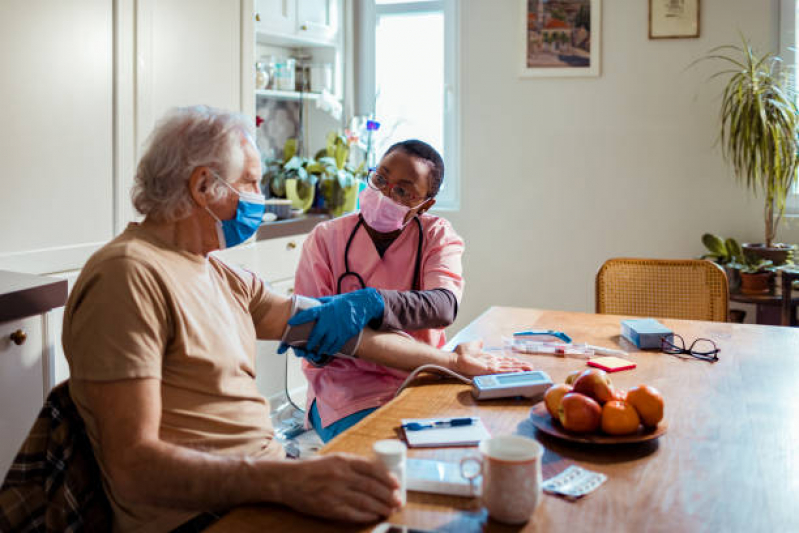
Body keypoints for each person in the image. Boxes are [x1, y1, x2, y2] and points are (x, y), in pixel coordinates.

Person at [62, 106, 533, 532]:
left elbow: (350, 336)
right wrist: (288, 478)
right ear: (205, 186)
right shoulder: (128, 275)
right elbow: (133, 467)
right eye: (249, 182)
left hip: (261, 483)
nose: (259, 198)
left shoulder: (220, 274)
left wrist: (450, 363)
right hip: (203, 515)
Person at [287, 140, 467, 442]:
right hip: (345, 392)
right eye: (380, 179)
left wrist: (373, 302)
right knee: (387, 455)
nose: (385, 193)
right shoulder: (326, 238)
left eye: (402, 191)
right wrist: (312, 344)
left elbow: (444, 306)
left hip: (419, 379)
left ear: (425, 204)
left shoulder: (436, 235)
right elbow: (308, 327)